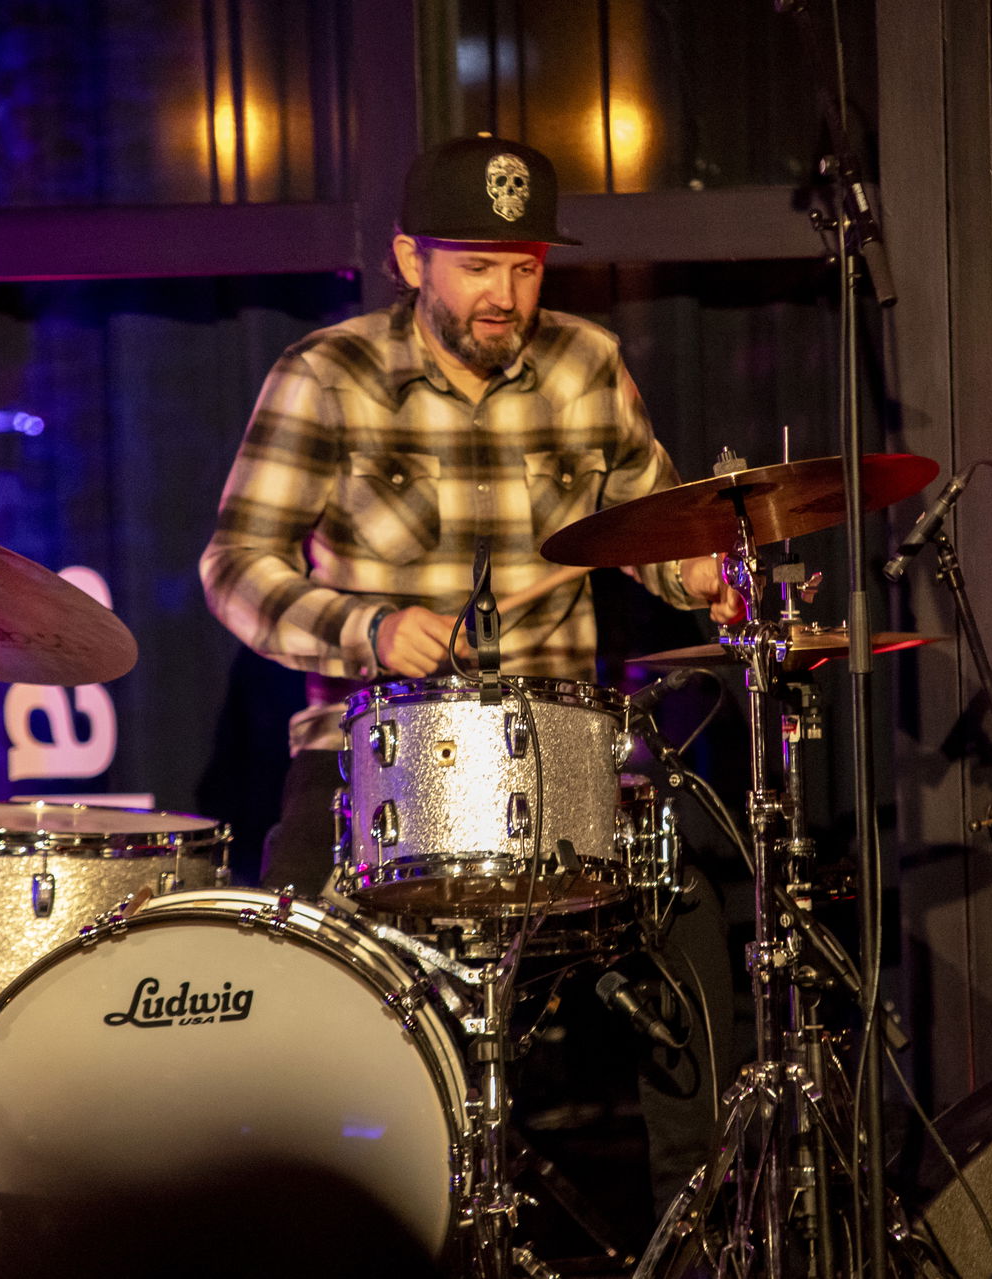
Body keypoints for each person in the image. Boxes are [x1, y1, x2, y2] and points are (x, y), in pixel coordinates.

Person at [199, 132, 740, 1214]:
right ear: (411, 260)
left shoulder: (587, 364)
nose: (506, 294)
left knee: (689, 922)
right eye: (478, 266)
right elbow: (235, 566)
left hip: (562, 751)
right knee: (296, 948)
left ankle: (702, 1224)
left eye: (527, 266)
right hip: (372, 757)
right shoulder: (326, 375)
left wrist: (707, 574)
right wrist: (369, 627)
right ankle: (319, 1224)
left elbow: (659, 527)